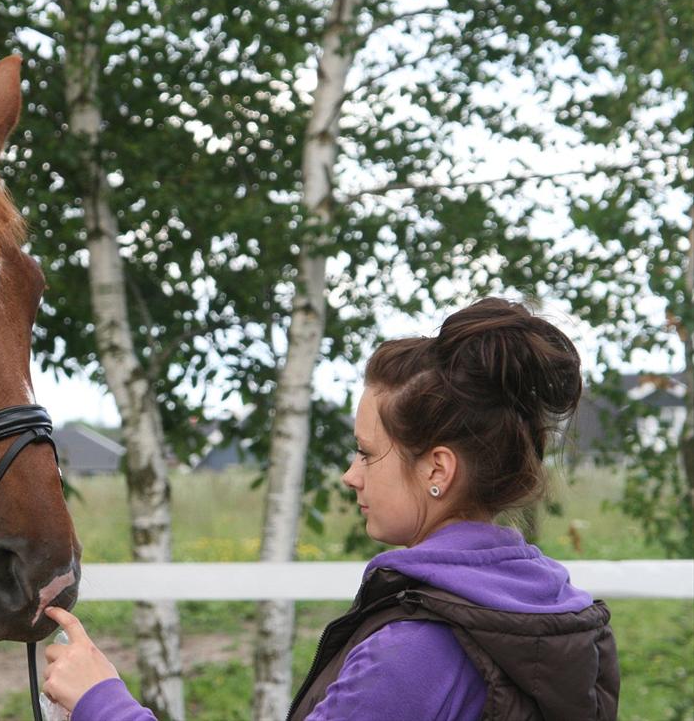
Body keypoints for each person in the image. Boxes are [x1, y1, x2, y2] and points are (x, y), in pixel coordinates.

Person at [42, 297, 620, 721]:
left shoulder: (419, 649)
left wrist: (102, 702)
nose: (350, 474)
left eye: (368, 454)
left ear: (437, 470)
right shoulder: (552, 612)